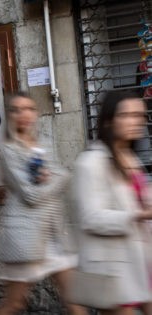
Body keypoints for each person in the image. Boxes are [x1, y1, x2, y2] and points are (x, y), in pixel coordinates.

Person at [0, 92, 86, 315]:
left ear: (35, 113)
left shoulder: (43, 142)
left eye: (28, 108)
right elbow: (31, 195)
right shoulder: (8, 150)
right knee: (13, 304)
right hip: (26, 236)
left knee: (75, 299)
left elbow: (45, 181)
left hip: (54, 235)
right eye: (16, 109)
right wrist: (61, 177)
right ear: (10, 115)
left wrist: (50, 178)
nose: (23, 114)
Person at [73, 91, 152, 315]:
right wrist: (137, 215)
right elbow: (90, 218)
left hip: (141, 262)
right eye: (127, 115)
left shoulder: (131, 157)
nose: (136, 121)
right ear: (109, 121)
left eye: (139, 115)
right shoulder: (91, 162)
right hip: (113, 268)